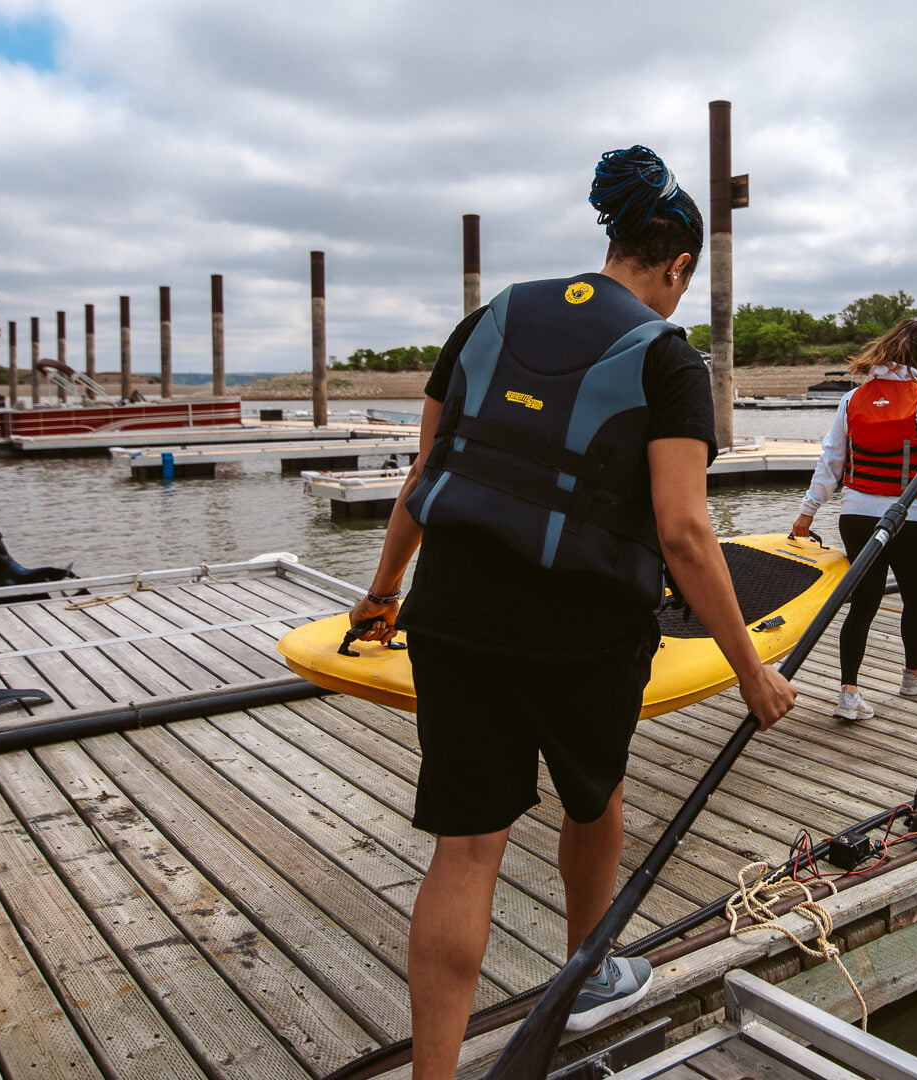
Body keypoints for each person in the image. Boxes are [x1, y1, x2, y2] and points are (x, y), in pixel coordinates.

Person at [347, 145, 797, 1078]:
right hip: (583, 635)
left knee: (465, 850)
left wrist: (385, 590)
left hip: (454, 614)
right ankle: (588, 970)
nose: (678, 298)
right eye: (685, 281)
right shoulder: (668, 359)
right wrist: (752, 670)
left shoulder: (491, 315)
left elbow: (427, 473)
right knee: (594, 795)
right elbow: (683, 534)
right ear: (675, 264)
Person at [790, 318, 917, 720]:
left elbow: (830, 462)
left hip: (856, 516)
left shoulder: (852, 401)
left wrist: (807, 512)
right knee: (916, 599)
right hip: (911, 518)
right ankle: (913, 676)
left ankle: (848, 695)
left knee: (863, 604)